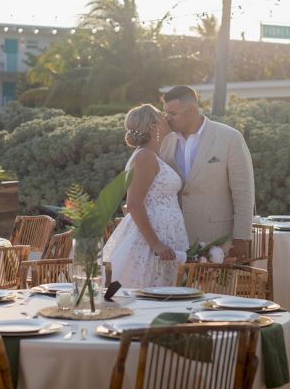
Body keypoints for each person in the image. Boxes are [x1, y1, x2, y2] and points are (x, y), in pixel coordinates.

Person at [160, 85, 255, 261]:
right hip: (175, 240)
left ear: (192, 110)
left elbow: (243, 192)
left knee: (215, 289)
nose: (167, 118)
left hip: (216, 240)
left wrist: (242, 237)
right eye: (165, 113)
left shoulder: (230, 138)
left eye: (172, 113)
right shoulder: (165, 141)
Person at [103, 104, 189, 287]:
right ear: (152, 125)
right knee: (147, 291)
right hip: (151, 240)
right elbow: (133, 203)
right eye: (160, 114)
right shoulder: (145, 157)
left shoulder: (153, 155)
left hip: (166, 233)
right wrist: (156, 244)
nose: (166, 116)